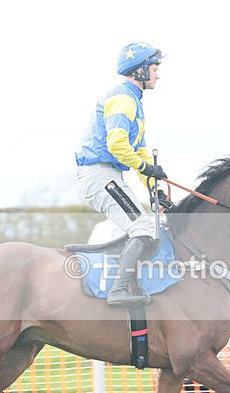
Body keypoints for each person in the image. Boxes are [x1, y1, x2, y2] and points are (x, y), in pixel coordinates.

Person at [75, 42, 174, 307]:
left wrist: (154, 189)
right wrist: (145, 169)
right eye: (154, 68)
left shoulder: (134, 102)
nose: (158, 74)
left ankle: (130, 281)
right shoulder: (123, 98)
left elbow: (140, 151)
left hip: (109, 175)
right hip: (100, 176)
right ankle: (118, 290)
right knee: (142, 228)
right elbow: (116, 145)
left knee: (148, 230)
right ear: (141, 71)